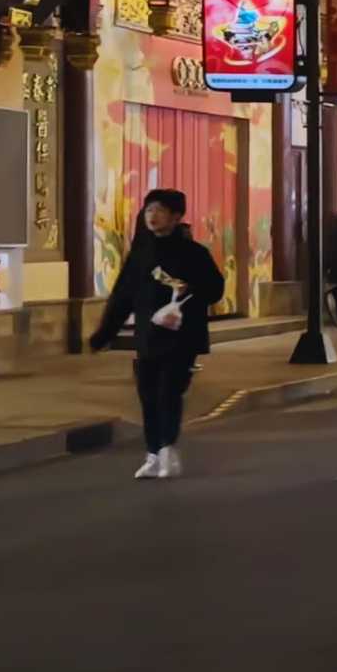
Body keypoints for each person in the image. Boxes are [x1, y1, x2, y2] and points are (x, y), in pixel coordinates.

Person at [89, 189, 226, 480]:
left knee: (168, 392)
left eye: (160, 210)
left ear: (176, 217)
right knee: (147, 395)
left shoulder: (194, 253)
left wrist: (190, 289)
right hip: (149, 335)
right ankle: (153, 453)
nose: (152, 216)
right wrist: (104, 333)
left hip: (183, 336)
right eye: (149, 210)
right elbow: (122, 296)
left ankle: (168, 450)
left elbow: (215, 289)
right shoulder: (141, 253)